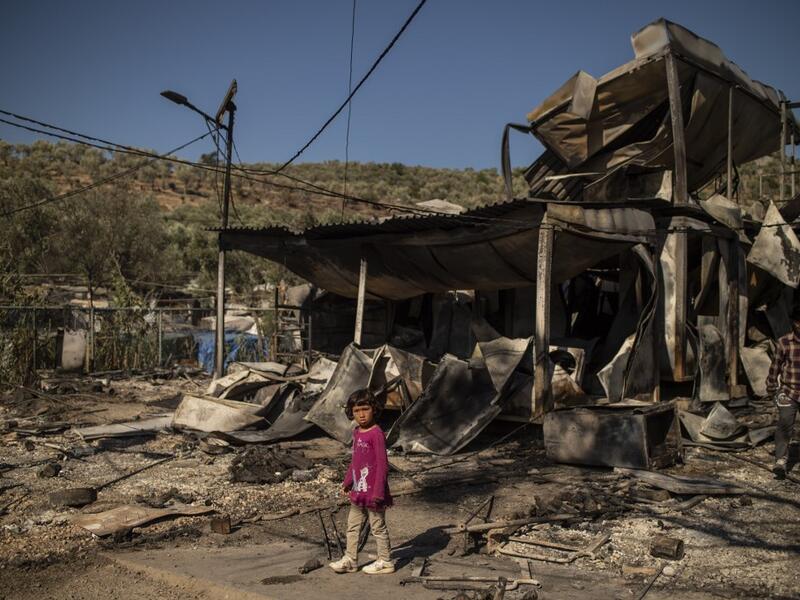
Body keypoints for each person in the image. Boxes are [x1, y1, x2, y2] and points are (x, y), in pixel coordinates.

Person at [329, 389, 394, 574]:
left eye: (365, 409)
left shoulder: (377, 434)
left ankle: (386, 561)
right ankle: (351, 559)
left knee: (377, 527)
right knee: (353, 526)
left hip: (374, 492)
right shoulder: (357, 432)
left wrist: (379, 492)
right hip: (359, 490)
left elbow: (383, 465)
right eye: (357, 411)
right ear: (351, 412)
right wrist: (347, 482)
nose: (361, 415)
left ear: (374, 409)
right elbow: (356, 461)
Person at [765, 307, 800, 480]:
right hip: (789, 391)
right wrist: (772, 389)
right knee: (785, 424)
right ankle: (780, 460)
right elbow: (775, 367)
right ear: (794, 323)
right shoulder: (784, 342)